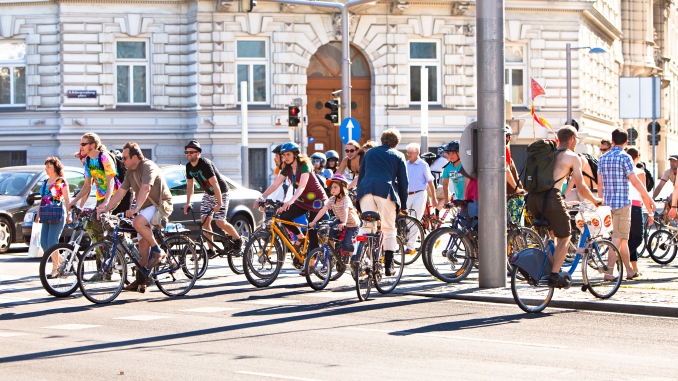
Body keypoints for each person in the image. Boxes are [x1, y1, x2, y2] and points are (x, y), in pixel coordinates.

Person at [526, 126, 603, 288]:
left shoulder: (548, 154)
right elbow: (581, 187)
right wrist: (595, 200)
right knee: (565, 236)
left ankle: (547, 270)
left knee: (551, 234)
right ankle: (554, 276)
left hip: (533, 199)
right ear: (573, 139)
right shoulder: (571, 156)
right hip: (551, 198)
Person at [101, 142, 173, 292]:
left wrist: (135, 209)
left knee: (137, 222)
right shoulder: (130, 171)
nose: (122, 161)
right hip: (147, 208)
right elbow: (120, 192)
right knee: (143, 253)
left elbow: (146, 188)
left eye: (125, 158)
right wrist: (106, 209)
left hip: (160, 205)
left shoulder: (148, 166)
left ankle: (158, 251)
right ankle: (141, 281)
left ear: (135, 157)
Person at [598, 128, 656, 281]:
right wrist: (649, 199)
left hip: (607, 204)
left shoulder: (602, 158)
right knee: (617, 238)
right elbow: (635, 181)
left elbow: (600, 185)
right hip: (622, 204)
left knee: (623, 238)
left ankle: (629, 270)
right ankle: (609, 271)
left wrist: (600, 203)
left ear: (612, 141)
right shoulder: (625, 157)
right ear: (626, 142)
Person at [256, 142, 328, 257]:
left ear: (295, 154)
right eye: (283, 155)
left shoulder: (304, 165)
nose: (285, 157)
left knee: (312, 229)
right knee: (284, 216)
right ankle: (301, 237)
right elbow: (275, 185)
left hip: (317, 202)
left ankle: (312, 262)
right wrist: (262, 197)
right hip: (303, 201)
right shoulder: (287, 169)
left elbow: (302, 186)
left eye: (288, 154)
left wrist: (291, 201)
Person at [356, 128, 408, 276]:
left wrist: (358, 200)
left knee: (367, 227)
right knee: (388, 228)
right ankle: (388, 265)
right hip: (385, 191)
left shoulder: (370, 153)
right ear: (396, 143)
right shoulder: (398, 155)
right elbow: (404, 182)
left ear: (381, 140)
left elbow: (361, 176)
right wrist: (403, 205)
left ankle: (358, 257)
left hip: (366, 190)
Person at [182, 140, 241, 256]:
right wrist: (188, 202)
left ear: (198, 153)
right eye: (187, 152)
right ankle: (211, 249)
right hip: (208, 194)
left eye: (191, 152)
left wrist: (219, 204)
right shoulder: (188, 166)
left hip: (221, 193)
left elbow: (215, 185)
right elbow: (190, 185)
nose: (188, 154)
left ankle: (238, 239)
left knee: (219, 222)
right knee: (204, 221)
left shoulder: (205, 164)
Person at [69, 133, 126, 243]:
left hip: (114, 194)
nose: (81, 147)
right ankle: (102, 253)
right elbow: (87, 186)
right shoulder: (88, 161)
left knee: (98, 220)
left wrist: (106, 202)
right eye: (80, 144)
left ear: (93, 145)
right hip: (101, 197)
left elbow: (111, 181)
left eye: (83, 144)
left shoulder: (104, 157)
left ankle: (121, 242)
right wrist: (74, 201)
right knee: (89, 224)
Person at [308, 175, 359, 257]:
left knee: (348, 243)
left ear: (342, 187)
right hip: (340, 221)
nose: (332, 189)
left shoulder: (346, 199)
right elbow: (323, 210)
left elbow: (346, 210)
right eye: (331, 188)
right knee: (329, 232)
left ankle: (352, 259)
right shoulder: (332, 200)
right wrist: (314, 222)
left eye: (335, 187)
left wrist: (344, 223)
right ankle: (332, 253)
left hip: (352, 224)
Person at [38, 157, 72, 278]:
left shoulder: (61, 181)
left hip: (58, 214)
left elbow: (67, 199)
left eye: (49, 166)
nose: (46, 169)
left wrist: (69, 214)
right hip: (45, 214)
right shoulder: (45, 181)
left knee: (52, 242)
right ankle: (63, 261)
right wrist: (38, 215)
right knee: (44, 243)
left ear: (55, 167)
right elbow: (42, 200)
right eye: (46, 166)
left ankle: (55, 269)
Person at [627, 148, 653, 276]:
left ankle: (633, 269)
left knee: (629, 238)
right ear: (637, 157)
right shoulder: (639, 172)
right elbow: (643, 194)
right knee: (638, 238)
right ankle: (620, 256)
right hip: (636, 207)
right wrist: (650, 212)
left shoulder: (624, 170)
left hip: (624, 206)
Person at [405, 143, 436, 253]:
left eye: (411, 153)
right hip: (407, 195)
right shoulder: (405, 164)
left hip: (419, 194)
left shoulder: (423, 165)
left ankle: (410, 247)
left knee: (415, 219)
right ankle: (410, 242)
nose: (408, 155)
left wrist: (433, 198)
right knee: (407, 219)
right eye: (407, 153)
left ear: (417, 153)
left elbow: (430, 181)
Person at [505, 126, 525, 223]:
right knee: (517, 228)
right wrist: (517, 189)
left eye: (507, 136)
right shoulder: (504, 149)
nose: (507, 139)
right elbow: (506, 171)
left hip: (508, 195)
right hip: (513, 195)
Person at [439, 141, 465, 207]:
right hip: (458, 199)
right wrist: (446, 200)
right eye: (449, 153)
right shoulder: (447, 168)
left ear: (459, 153)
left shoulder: (465, 165)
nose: (451, 155)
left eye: (453, 153)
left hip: (469, 199)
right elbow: (445, 184)